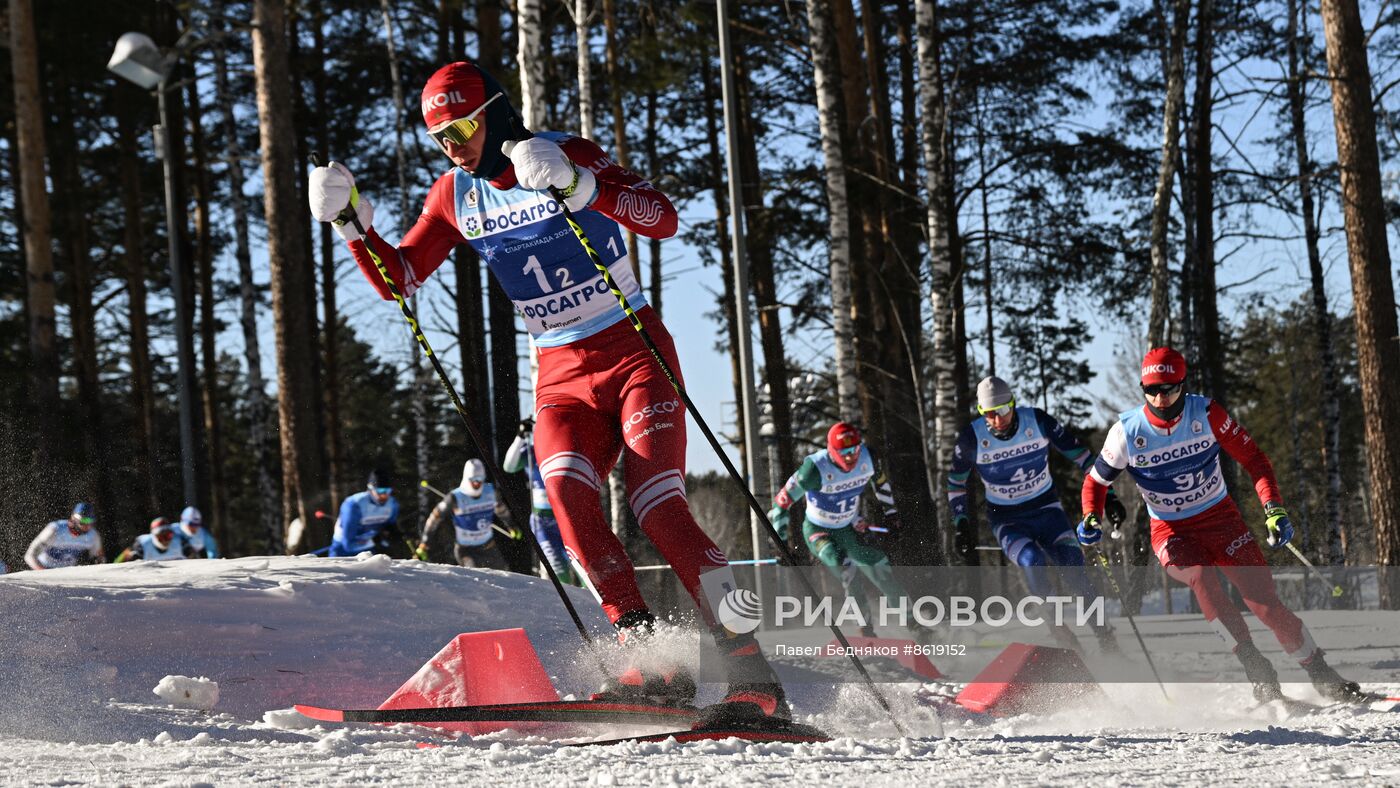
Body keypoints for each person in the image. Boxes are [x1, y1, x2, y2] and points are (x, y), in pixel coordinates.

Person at [307, 60, 786, 726]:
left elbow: (663, 218)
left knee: (658, 508)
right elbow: (402, 279)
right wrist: (352, 226)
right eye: (440, 137)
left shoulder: (563, 153)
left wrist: (582, 185)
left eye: (463, 128)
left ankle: (751, 670)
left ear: (496, 113)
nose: (453, 147)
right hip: (560, 373)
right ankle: (653, 663)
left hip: (634, 351)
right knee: (562, 502)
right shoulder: (454, 196)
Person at [1079, 347, 1362, 703]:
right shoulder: (1126, 432)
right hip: (1171, 530)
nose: (1160, 397)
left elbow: (1255, 459)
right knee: (1200, 577)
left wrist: (1273, 507)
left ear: (1183, 384)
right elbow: (1095, 483)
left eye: (1169, 388)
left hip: (1221, 519)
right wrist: (1090, 514)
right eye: (1151, 389)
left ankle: (1320, 671)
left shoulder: (1207, 414)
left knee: (1265, 605)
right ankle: (1258, 672)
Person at [948, 376, 1120, 653]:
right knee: (1032, 560)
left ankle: (1105, 635)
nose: (998, 419)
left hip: (1047, 511)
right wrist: (961, 524)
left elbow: (1085, 459)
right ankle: (1059, 629)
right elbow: (955, 483)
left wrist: (1108, 497)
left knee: (1074, 568)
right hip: (1007, 519)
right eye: (989, 413)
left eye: (1004, 410)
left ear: (1014, 404)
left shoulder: (1036, 421)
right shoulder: (972, 437)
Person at [768, 423, 925, 641]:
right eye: (844, 453)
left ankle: (916, 626)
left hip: (849, 527)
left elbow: (880, 483)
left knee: (881, 571)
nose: (851, 458)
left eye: (854, 451)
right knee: (845, 567)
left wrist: (892, 515)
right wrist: (780, 542)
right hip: (818, 529)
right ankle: (866, 630)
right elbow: (781, 503)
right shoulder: (814, 469)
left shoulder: (868, 459)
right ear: (832, 450)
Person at [502, 417, 575, 583]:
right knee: (558, 570)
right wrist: (520, 437)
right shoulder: (531, 452)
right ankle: (569, 604)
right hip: (542, 523)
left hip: (566, 520)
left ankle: (593, 605)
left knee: (584, 572)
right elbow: (509, 466)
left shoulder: (564, 446)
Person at [418, 459, 508, 570]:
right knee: (478, 578)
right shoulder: (455, 497)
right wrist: (425, 543)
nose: (477, 483)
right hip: (467, 550)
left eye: (480, 479)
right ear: (466, 478)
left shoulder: (490, 492)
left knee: (505, 577)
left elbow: (501, 510)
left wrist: (511, 526)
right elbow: (435, 518)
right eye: (473, 479)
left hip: (488, 547)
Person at [330, 468, 403, 557]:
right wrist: (376, 541)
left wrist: (393, 536)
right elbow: (348, 545)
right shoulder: (354, 505)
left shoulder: (393, 504)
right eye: (380, 491)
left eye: (388, 490)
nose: (384, 495)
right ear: (370, 489)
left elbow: (389, 527)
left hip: (368, 549)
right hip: (342, 551)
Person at [25, 503, 104, 570]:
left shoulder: (93, 536)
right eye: (84, 521)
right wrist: (43, 573)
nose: (87, 525)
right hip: (43, 569)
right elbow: (30, 555)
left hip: (67, 574)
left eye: (90, 521)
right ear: (73, 518)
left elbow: (99, 560)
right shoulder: (55, 530)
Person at [115, 517, 194, 563]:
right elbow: (122, 561)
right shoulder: (142, 545)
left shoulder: (182, 543)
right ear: (153, 536)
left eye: (168, 536)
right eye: (161, 537)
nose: (165, 541)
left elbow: (196, 563)